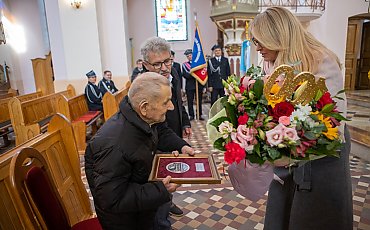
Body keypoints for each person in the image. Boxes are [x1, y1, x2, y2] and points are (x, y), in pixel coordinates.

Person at [250, 7, 352, 230]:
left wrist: (280, 147)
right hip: (288, 161)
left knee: (310, 220)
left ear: (278, 36)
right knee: (281, 218)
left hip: (321, 163)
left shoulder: (321, 61)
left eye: (260, 41)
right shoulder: (272, 62)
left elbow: (331, 124)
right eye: (254, 41)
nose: (257, 48)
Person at [85, 73, 194, 230]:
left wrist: (176, 150)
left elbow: (156, 136)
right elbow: (112, 199)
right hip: (128, 222)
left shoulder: (142, 118)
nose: (171, 107)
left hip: (144, 209)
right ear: (144, 107)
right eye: (166, 102)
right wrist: (160, 190)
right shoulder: (113, 144)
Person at [140, 36, 192, 227]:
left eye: (167, 61)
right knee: (160, 178)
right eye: (157, 64)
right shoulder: (143, 87)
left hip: (173, 133)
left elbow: (179, 102)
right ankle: (162, 218)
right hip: (156, 141)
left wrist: (185, 123)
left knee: (172, 176)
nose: (164, 67)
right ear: (146, 64)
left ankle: (168, 202)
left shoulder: (175, 73)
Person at [182, 49, 204, 120]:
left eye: (190, 55)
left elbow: (202, 74)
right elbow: (185, 75)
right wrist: (195, 74)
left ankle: (199, 114)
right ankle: (191, 115)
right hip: (189, 86)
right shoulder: (185, 65)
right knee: (190, 101)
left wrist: (193, 74)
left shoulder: (198, 64)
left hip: (199, 85)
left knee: (199, 101)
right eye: (187, 56)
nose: (189, 57)